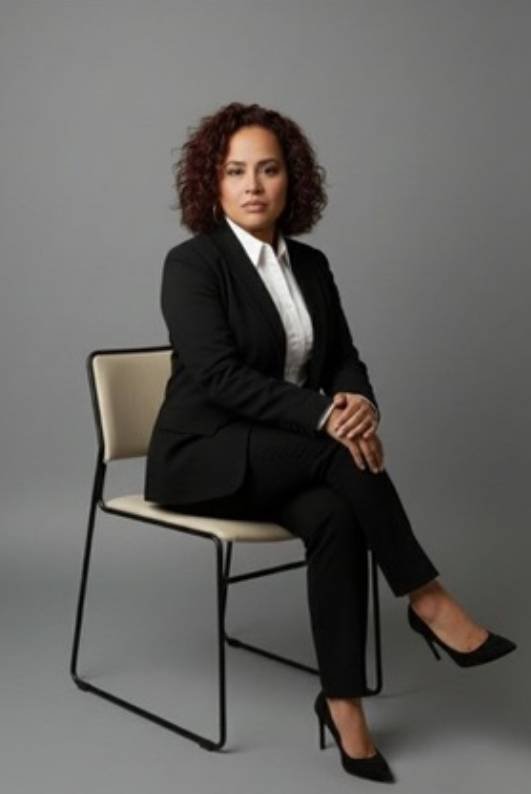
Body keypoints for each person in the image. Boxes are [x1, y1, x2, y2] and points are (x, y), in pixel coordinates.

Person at [144, 101, 517, 783]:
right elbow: (219, 377)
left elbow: (342, 355)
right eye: (234, 171)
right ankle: (427, 600)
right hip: (202, 453)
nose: (252, 184)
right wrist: (326, 421)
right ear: (212, 184)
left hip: (277, 452)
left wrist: (357, 402)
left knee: (338, 515)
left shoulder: (309, 264)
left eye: (268, 169)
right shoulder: (192, 264)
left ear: (293, 181)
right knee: (334, 453)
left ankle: (342, 704)